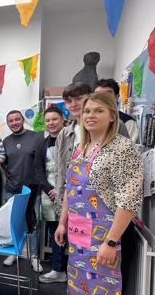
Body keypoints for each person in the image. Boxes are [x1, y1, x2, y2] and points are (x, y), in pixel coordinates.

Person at [54, 92, 143, 294]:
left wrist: (110, 242)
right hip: (78, 237)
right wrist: (62, 223)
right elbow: (71, 187)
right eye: (87, 111)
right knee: (78, 286)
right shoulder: (80, 147)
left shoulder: (122, 148)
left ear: (112, 116)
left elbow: (129, 200)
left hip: (108, 238)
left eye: (98, 110)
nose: (90, 115)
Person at [1, 110, 44, 272]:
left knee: (33, 223)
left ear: (22, 120)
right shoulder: (6, 140)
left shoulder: (37, 137)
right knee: (14, 221)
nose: (14, 123)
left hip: (32, 188)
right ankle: (15, 251)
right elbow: (4, 163)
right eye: (10, 121)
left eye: (17, 119)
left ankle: (34, 256)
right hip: (12, 188)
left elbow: (42, 163)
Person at [35, 106, 68, 283]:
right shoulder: (42, 143)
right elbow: (38, 171)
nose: (51, 123)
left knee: (73, 233)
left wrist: (63, 190)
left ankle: (74, 271)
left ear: (62, 119)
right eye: (48, 120)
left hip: (71, 193)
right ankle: (58, 270)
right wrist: (51, 190)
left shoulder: (72, 140)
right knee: (55, 233)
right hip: (50, 195)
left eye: (54, 119)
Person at [94, 78, 139, 143]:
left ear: (116, 97)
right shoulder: (89, 119)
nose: (102, 98)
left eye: (107, 95)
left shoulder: (127, 122)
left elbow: (129, 150)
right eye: (98, 95)